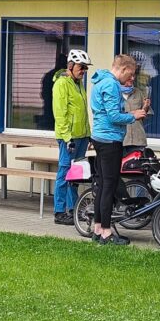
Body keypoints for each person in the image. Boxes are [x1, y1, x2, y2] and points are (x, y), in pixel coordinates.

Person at [90, 54, 146, 244]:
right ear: (123, 69)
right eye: (131, 74)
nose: (132, 78)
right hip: (110, 140)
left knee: (102, 185)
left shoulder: (100, 81)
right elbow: (114, 116)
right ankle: (106, 233)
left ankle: (98, 228)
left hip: (99, 137)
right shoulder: (111, 85)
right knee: (109, 186)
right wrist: (133, 116)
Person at [51, 49, 92, 226]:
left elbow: (82, 112)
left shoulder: (79, 83)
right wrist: (68, 138)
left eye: (86, 68)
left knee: (75, 175)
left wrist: (88, 134)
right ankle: (59, 212)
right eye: (81, 67)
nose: (84, 71)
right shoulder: (61, 84)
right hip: (69, 138)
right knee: (64, 172)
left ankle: (73, 209)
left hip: (82, 136)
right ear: (70, 65)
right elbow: (60, 114)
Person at [121, 60, 150, 155]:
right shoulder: (113, 92)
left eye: (134, 76)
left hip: (138, 141)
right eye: (130, 76)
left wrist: (145, 108)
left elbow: (144, 116)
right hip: (121, 141)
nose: (133, 78)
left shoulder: (139, 92)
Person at [38, 53, 68, 131]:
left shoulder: (49, 75)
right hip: (54, 107)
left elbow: (43, 94)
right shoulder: (65, 77)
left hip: (49, 107)